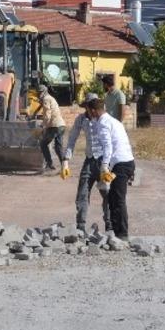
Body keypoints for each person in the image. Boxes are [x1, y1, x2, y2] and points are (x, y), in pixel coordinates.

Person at [84, 96, 136, 240]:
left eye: (88, 110)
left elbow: (108, 147)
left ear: (93, 111)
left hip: (121, 164)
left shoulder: (104, 124)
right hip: (126, 162)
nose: (87, 114)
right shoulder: (114, 121)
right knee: (113, 199)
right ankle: (115, 233)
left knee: (118, 200)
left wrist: (104, 167)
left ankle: (122, 235)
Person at [64, 93, 110, 232]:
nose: (89, 110)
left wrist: (108, 165)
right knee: (82, 194)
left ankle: (110, 226)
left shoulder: (104, 119)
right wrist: (66, 160)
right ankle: (81, 227)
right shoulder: (81, 119)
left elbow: (111, 143)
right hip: (90, 160)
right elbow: (72, 138)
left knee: (108, 194)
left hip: (104, 161)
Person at [33, 84, 66, 174]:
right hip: (61, 125)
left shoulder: (46, 99)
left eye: (39, 93)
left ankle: (49, 164)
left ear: (43, 92)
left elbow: (47, 115)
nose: (38, 95)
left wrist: (42, 126)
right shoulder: (50, 98)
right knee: (58, 147)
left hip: (54, 126)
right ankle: (64, 166)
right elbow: (49, 112)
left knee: (43, 144)